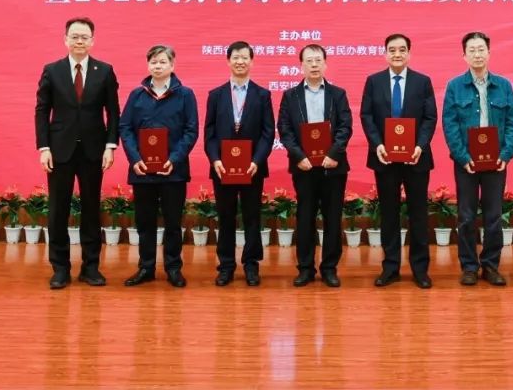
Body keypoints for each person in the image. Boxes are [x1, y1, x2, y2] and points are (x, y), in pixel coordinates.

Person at [34, 17, 120, 290]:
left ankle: (90, 267)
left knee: (91, 209)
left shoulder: (104, 71)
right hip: (60, 150)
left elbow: (113, 112)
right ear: (66, 39)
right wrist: (44, 148)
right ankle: (60, 268)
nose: (79, 41)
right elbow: (42, 111)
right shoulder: (52, 70)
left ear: (92, 41)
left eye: (84, 37)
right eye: (75, 36)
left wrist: (110, 146)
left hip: (93, 150)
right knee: (58, 210)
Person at [360, 33, 438, 289]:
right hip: (384, 158)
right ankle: (390, 267)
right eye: (392, 50)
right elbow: (366, 116)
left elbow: (430, 117)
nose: (397, 54)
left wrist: (420, 146)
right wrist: (378, 145)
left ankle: (420, 269)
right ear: (385, 54)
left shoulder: (422, 81)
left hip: (416, 158)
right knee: (389, 214)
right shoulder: (374, 81)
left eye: (402, 49)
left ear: (409, 53)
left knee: (418, 214)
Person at [441, 31, 513, 287]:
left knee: (494, 216)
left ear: (489, 53)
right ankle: (469, 267)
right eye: (472, 50)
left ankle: (491, 266)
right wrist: (462, 157)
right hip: (466, 162)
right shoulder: (454, 86)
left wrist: (506, 154)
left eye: (481, 49)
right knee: (466, 216)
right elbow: (450, 125)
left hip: (496, 162)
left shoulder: (503, 86)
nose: (477, 54)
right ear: (464, 56)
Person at [119, 45, 198, 288]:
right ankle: (146, 267)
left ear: (172, 65)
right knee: (145, 223)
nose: (158, 66)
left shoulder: (185, 94)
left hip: (173, 171)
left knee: (173, 223)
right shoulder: (137, 95)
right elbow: (125, 128)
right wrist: (135, 159)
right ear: (148, 65)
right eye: (153, 61)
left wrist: (174, 159)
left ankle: (173, 268)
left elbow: (191, 130)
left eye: (163, 61)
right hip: (142, 171)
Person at [276, 44, 354, 288]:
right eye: (309, 60)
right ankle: (305, 268)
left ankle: (329, 268)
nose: (314, 64)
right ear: (301, 65)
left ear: (325, 64)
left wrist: (333, 153)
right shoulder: (290, 96)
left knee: (333, 218)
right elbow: (284, 129)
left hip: (333, 166)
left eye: (318, 60)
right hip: (304, 167)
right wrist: (299, 156)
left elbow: (345, 126)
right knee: (305, 217)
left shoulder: (338, 94)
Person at [204, 41, 275, 287]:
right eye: (236, 57)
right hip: (222, 169)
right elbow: (209, 133)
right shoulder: (216, 95)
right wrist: (215, 159)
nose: (240, 61)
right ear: (228, 61)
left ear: (252, 61)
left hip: (252, 168)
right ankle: (226, 266)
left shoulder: (262, 95)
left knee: (252, 217)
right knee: (225, 217)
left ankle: (251, 265)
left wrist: (257, 160)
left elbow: (268, 133)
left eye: (245, 57)